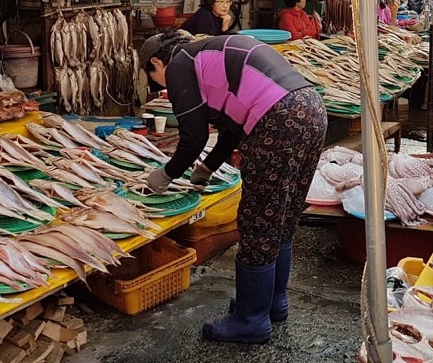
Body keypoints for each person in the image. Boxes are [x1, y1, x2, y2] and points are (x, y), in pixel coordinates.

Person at [140, 31, 327, 344]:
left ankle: (251, 320)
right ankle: (272, 303)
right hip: (311, 109)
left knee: (257, 222)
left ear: (157, 62)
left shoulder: (179, 65)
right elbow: (231, 130)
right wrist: (206, 168)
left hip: (277, 119)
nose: (163, 84)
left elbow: (193, 137)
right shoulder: (206, 54)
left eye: (154, 75)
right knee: (281, 216)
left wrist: (165, 175)